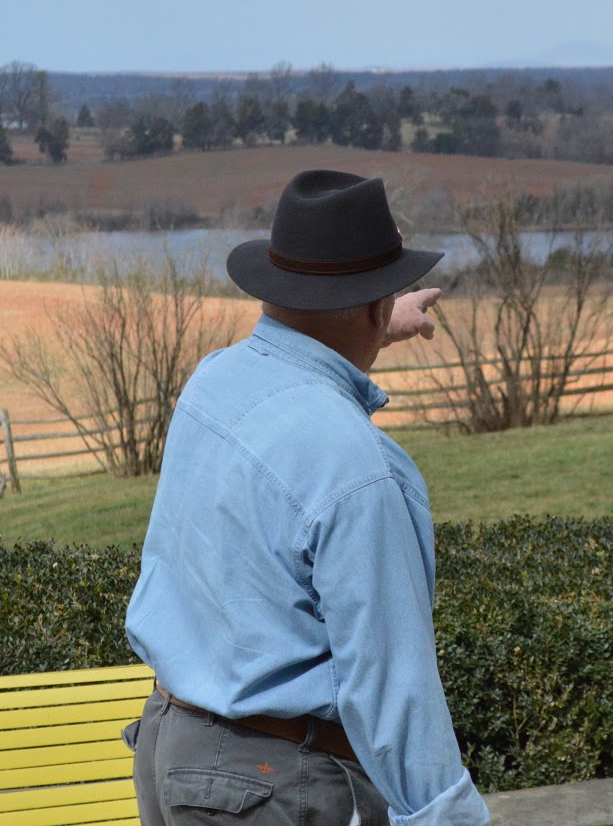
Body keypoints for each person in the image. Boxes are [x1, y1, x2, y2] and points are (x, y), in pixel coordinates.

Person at [123, 169, 491, 826]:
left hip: (170, 750)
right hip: (271, 787)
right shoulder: (359, 466)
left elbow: (303, 348)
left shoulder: (213, 381)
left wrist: (378, 322)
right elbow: (394, 691)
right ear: (373, 306)